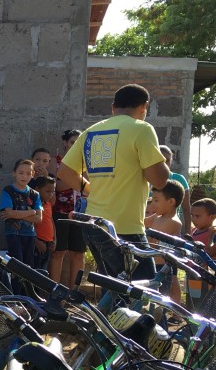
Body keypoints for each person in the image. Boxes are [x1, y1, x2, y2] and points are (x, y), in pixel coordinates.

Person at [57, 84, 169, 281]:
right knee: (143, 289)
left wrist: (89, 189)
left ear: (113, 107)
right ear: (145, 107)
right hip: (125, 227)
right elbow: (159, 180)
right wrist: (163, 161)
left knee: (116, 289)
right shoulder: (141, 129)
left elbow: (64, 171)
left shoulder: (91, 131)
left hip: (93, 224)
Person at [51, 128, 86, 287]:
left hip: (80, 214)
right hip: (60, 212)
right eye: (72, 142)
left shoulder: (85, 163)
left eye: (78, 142)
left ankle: (74, 292)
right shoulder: (56, 161)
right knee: (58, 252)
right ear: (65, 143)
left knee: (78, 253)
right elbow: (55, 187)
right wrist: (74, 176)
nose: (75, 145)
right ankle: (54, 291)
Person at [0, 159, 43, 272]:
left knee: (29, 267)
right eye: (21, 173)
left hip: (30, 234)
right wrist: (31, 212)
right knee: (16, 266)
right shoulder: (8, 191)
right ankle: (15, 290)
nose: (24, 176)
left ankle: (25, 290)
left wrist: (16, 214)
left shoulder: (35, 194)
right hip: (14, 234)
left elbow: (39, 219)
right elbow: (8, 212)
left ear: (33, 174)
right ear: (14, 173)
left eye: (28, 173)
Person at [160, 145, 192, 234]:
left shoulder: (179, 179)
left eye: (167, 160)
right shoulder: (146, 179)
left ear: (171, 161)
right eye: (160, 159)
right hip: (149, 227)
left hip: (171, 228)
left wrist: (188, 233)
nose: (164, 163)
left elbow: (186, 208)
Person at [30, 175, 57, 270]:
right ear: (37, 189)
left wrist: (54, 240)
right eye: (47, 191)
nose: (50, 194)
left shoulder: (48, 204)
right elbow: (29, 225)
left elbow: (51, 221)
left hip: (48, 244)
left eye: (53, 192)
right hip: (38, 243)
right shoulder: (33, 205)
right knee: (36, 271)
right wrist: (36, 242)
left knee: (44, 270)